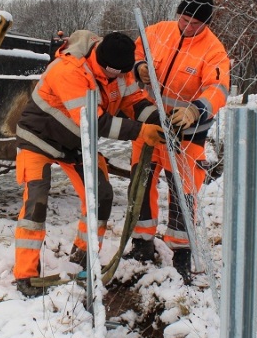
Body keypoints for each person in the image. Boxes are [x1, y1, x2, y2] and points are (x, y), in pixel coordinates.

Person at [13, 30, 165, 297]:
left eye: (120, 73)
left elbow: (134, 103)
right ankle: (26, 276)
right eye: (110, 73)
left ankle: (83, 259)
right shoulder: (69, 70)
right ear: (99, 58)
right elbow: (95, 121)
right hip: (39, 139)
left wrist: (160, 119)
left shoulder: (122, 69)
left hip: (77, 144)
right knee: (35, 204)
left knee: (101, 195)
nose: (114, 78)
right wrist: (141, 132)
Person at [128, 0, 231, 284]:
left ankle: (182, 254)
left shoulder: (213, 50)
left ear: (206, 23)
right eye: (184, 19)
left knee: (182, 193)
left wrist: (196, 110)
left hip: (187, 133)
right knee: (141, 182)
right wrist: (140, 67)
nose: (188, 26)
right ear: (178, 14)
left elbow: (218, 88)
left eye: (195, 23)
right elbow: (136, 51)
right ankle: (142, 244)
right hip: (150, 126)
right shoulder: (158, 32)